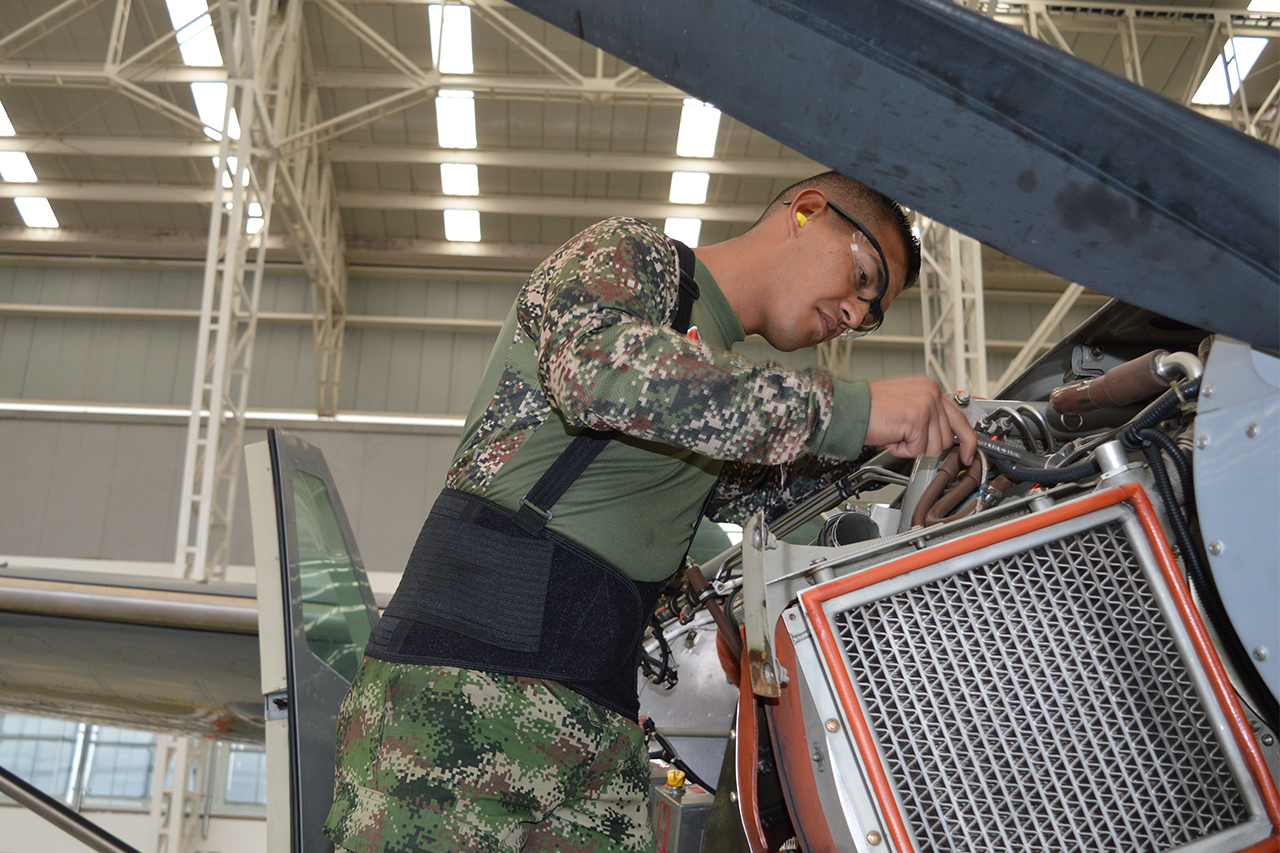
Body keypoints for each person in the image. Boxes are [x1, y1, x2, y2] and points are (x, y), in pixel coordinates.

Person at [323, 171, 977, 853]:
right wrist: (854, 409)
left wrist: (911, 455)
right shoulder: (631, 260)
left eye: (871, 315)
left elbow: (787, 497)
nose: (853, 313)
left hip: (595, 721)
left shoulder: (720, 389)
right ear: (807, 212)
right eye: (863, 277)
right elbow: (597, 374)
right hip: (461, 697)